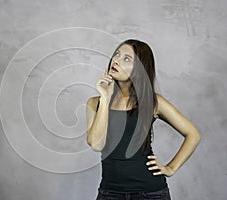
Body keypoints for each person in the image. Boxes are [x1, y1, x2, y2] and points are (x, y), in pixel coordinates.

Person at [86, 39, 201, 200]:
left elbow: (193, 134)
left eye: (127, 59)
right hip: (109, 192)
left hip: (150, 193)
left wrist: (171, 168)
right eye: (117, 54)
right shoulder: (94, 103)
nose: (117, 60)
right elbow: (96, 144)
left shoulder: (153, 102)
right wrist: (105, 99)